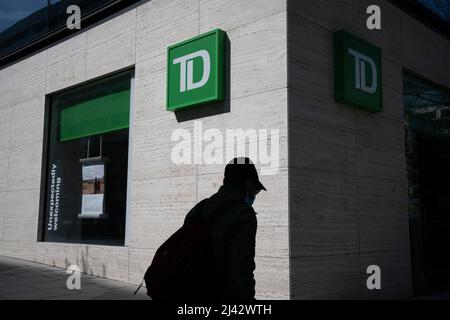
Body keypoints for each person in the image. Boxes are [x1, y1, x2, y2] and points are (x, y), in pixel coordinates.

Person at [183, 157, 266, 301]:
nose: (255, 195)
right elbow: (240, 274)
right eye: (256, 189)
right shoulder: (243, 215)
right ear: (249, 184)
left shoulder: (201, 208)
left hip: (191, 293)